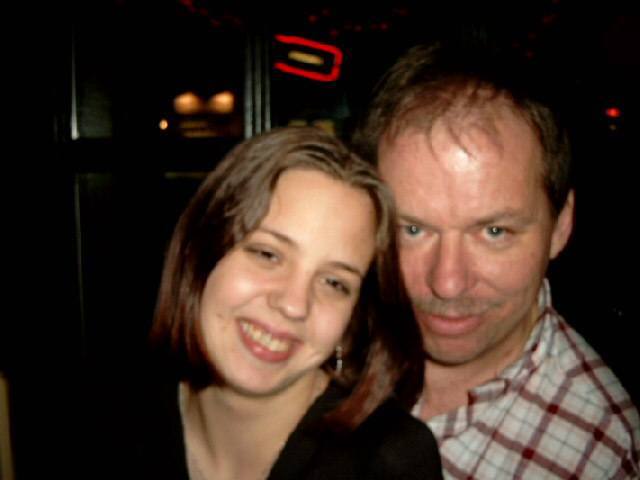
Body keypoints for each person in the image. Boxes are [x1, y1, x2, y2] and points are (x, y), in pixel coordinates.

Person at [352, 41, 640, 478]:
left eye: (494, 232)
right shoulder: (321, 336)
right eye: (411, 230)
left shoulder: (600, 457)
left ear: (560, 226)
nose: (447, 282)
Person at [143, 126, 443, 479]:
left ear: (351, 321)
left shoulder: (390, 462)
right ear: (200, 256)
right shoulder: (104, 417)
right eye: (267, 254)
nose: (294, 305)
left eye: (334, 283)